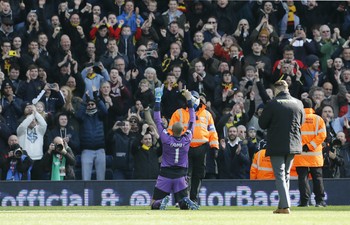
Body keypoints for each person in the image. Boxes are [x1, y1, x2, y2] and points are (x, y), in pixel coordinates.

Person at [259, 80, 305, 214]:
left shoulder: (272, 104)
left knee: (279, 175)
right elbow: (301, 122)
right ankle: (281, 206)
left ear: (276, 90)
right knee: (286, 174)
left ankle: (285, 206)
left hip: (277, 143)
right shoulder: (298, 103)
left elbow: (262, 123)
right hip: (294, 143)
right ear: (287, 88)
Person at [151, 86, 199, 210]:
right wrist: (190, 103)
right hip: (181, 174)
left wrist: (157, 99)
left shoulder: (166, 138)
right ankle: (185, 201)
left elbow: (157, 120)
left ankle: (160, 202)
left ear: (171, 130)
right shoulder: (186, 139)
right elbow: (192, 121)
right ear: (183, 130)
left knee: (154, 203)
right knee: (182, 205)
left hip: (166, 173)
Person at [168, 90, 219, 203]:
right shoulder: (179, 113)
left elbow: (212, 131)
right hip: (185, 147)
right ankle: (183, 199)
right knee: (184, 174)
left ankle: (193, 199)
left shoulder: (206, 114)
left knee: (198, 174)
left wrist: (214, 146)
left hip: (202, 148)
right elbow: (171, 130)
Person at [294, 98, 327, 207]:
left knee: (303, 179)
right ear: (312, 106)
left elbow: (292, 135)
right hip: (315, 156)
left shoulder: (297, 119)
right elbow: (322, 135)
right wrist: (310, 146)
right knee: (317, 179)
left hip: (300, 155)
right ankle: (320, 201)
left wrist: (303, 146)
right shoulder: (318, 119)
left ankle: (304, 202)